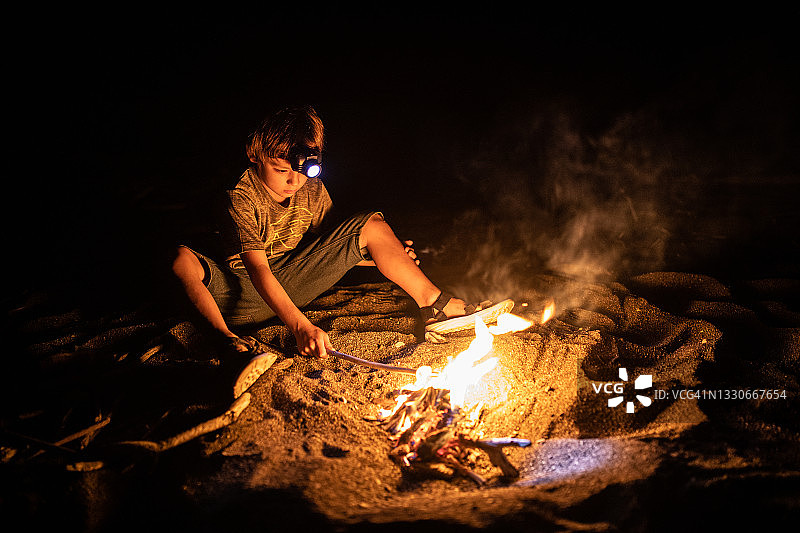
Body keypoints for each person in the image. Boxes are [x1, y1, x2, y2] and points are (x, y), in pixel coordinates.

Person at [170, 105, 510, 397]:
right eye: (280, 170)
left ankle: (436, 306)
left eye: (300, 171)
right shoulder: (239, 197)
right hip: (237, 294)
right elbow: (258, 269)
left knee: (372, 225)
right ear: (254, 155)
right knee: (181, 259)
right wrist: (300, 327)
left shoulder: (312, 189)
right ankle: (229, 345)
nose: (293, 181)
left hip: (289, 281)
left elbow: (335, 246)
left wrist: (383, 253)